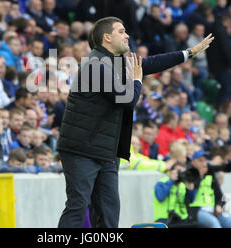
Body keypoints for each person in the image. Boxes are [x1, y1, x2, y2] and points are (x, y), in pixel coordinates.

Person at [57, 16, 213, 228]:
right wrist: (137, 81)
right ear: (107, 37)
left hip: (106, 152)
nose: (126, 35)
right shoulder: (95, 65)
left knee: (109, 210)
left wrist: (189, 53)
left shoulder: (116, 63)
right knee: (78, 205)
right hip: (82, 149)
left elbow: (152, 63)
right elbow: (126, 99)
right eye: (121, 31)